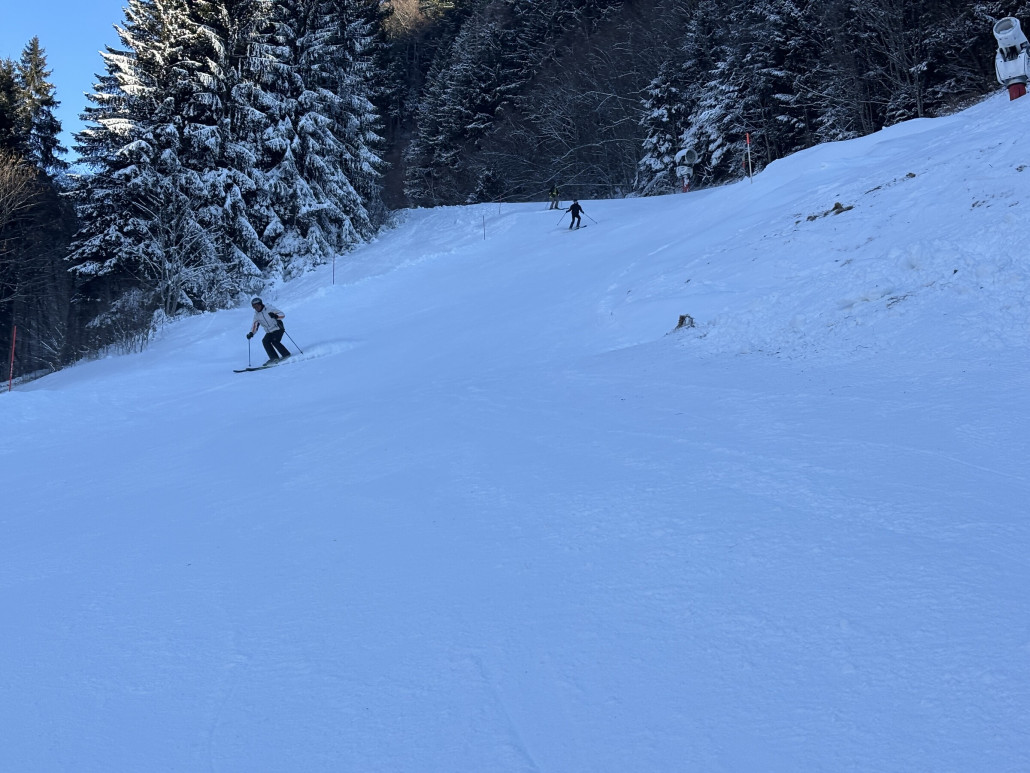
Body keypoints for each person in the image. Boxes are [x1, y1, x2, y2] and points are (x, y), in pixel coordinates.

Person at [246, 297, 291, 366]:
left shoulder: (269, 309)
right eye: (254, 307)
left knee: (274, 341)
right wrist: (251, 333)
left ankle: (286, 354)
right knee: (265, 341)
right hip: (269, 331)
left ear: (261, 304)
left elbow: (282, 315)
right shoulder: (256, 315)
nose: (256, 308)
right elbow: (255, 325)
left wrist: (276, 316)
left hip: (278, 328)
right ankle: (274, 358)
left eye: (257, 305)